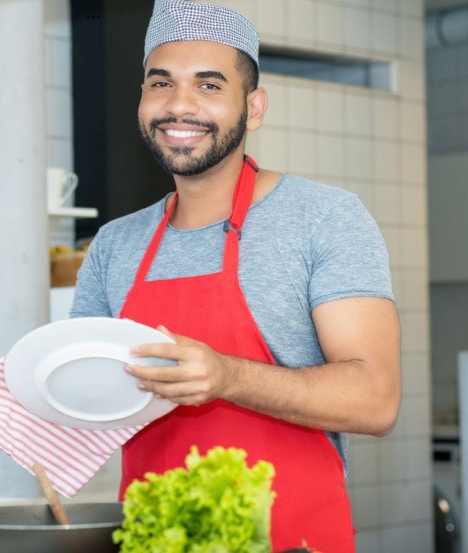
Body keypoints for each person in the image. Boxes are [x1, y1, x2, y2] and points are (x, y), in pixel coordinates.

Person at [70, 1, 401, 550]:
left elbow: (377, 398)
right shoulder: (114, 244)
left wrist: (227, 377)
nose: (179, 105)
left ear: (253, 107)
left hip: (294, 540)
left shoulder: (324, 218)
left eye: (208, 86)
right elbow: (83, 398)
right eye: (161, 84)